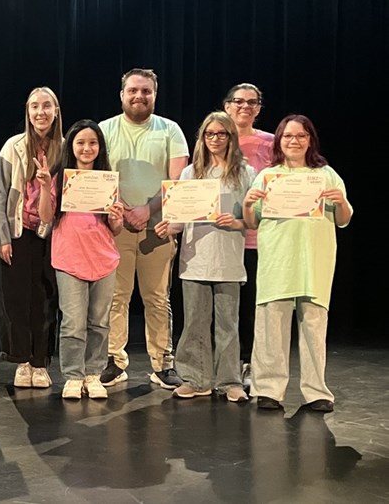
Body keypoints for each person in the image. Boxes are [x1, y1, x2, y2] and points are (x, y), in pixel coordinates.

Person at [242, 115, 352, 413]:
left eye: (301, 136)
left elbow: (343, 219)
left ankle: (316, 391)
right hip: (278, 259)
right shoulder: (267, 176)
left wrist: (340, 201)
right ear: (279, 141)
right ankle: (268, 390)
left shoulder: (325, 175)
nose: (294, 141)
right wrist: (248, 203)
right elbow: (251, 221)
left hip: (313, 260)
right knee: (271, 327)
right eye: (288, 136)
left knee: (314, 326)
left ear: (310, 140)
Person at [154, 112, 255, 402]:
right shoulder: (190, 173)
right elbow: (182, 218)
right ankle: (196, 379)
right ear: (202, 138)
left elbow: (253, 219)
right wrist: (169, 227)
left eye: (221, 134)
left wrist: (235, 223)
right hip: (195, 258)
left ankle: (230, 381)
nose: (215, 139)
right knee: (195, 323)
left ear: (231, 137)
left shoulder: (245, 173)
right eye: (209, 134)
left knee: (227, 324)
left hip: (228, 260)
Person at [98, 68, 189, 390]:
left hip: (158, 228)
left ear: (155, 94)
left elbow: (177, 179)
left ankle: (163, 363)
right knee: (116, 297)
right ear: (122, 94)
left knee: (157, 298)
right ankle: (113, 360)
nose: (139, 96)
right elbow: (98, 175)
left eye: (146, 91)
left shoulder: (170, 130)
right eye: (133, 90)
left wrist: (147, 209)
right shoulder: (105, 130)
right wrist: (125, 208)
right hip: (116, 227)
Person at [37, 120, 124, 400]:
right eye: (81, 143)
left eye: (93, 143)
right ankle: (73, 375)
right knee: (73, 322)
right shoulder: (60, 178)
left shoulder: (107, 179)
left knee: (99, 322)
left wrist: (117, 218)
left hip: (103, 258)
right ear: (70, 146)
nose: (87, 148)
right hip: (70, 259)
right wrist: (44, 187)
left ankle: (93, 373)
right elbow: (46, 217)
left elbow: (116, 228)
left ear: (100, 148)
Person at [0, 87, 63, 388]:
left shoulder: (65, 147)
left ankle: (40, 361)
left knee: (45, 299)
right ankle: (22, 361)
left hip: (53, 234)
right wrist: (2, 238)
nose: (40, 112)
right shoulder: (13, 147)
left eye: (46, 106)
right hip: (18, 234)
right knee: (17, 300)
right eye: (34, 106)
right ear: (27, 111)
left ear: (56, 111)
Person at [222, 83, 274, 387]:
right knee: (226, 306)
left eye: (252, 102)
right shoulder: (215, 138)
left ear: (258, 108)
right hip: (221, 237)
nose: (245, 106)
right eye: (238, 101)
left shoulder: (271, 143)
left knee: (254, 305)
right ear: (227, 105)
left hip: (258, 238)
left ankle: (250, 364)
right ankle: (225, 364)